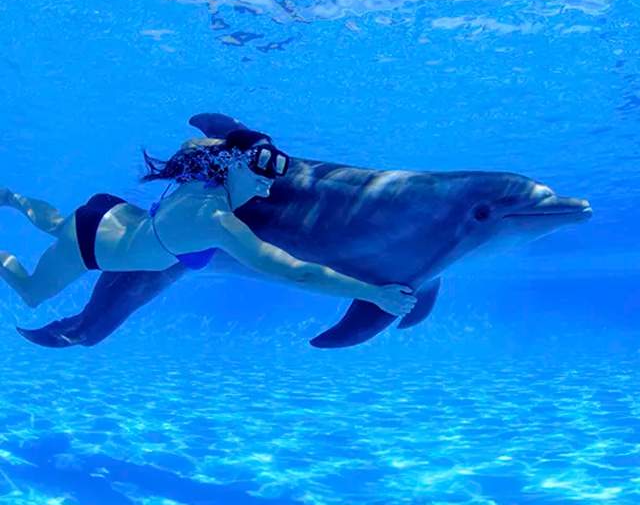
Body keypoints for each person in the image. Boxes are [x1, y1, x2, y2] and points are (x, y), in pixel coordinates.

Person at [0, 128, 416, 318]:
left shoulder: (205, 172)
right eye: (259, 175)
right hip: (94, 247)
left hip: (108, 213)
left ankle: (12, 199)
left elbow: (191, 143)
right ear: (234, 163)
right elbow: (299, 273)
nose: (267, 187)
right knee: (34, 294)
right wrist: (373, 294)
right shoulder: (217, 222)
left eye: (272, 178)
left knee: (56, 223)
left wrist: (235, 147)